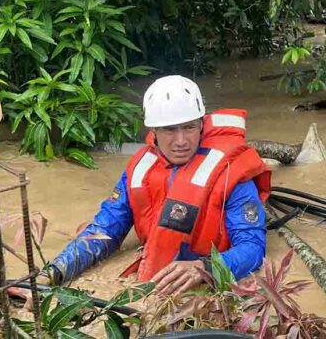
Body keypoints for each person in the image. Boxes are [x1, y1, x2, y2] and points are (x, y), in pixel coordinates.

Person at [44, 75, 271, 296]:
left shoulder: (231, 172)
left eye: (189, 127)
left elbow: (252, 248)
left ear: (202, 125)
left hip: (207, 271)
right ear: (153, 130)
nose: (181, 141)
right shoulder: (139, 172)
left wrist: (205, 268)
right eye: (170, 130)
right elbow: (104, 231)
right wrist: (52, 273)